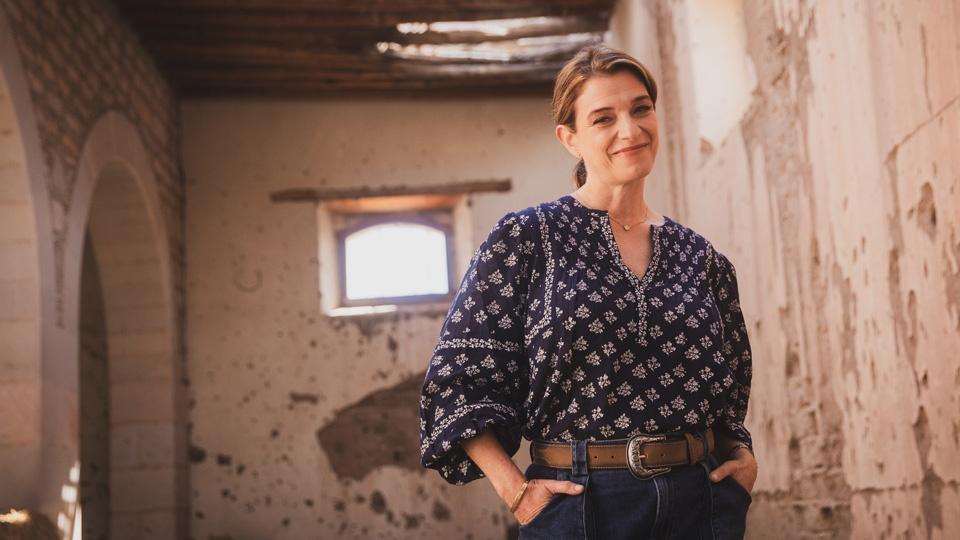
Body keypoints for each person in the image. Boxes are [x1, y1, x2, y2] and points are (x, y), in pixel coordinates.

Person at [418, 43, 758, 539]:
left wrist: (741, 460)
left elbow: (730, 384)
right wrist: (516, 490)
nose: (630, 130)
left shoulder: (702, 257)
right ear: (570, 137)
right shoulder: (525, 239)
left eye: (641, 108)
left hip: (699, 500)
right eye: (603, 118)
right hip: (579, 506)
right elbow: (457, 380)